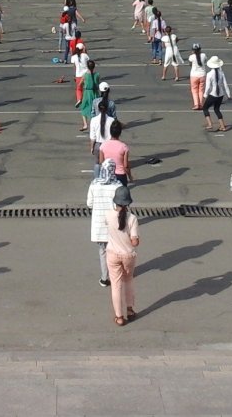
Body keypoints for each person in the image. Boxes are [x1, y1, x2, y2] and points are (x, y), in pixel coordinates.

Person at [104, 185, 140, 327]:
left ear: (116, 201)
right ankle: (130, 310)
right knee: (128, 281)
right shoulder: (132, 218)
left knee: (116, 285)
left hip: (112, 253)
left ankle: (119, 317)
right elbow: (135, 241)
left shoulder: (108, 215)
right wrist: (135, 240)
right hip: (128, 255)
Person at [87, 159, 122, 287]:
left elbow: (89, 204)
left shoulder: (94, 185)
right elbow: (121, 205)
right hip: (113, 224)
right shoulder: (117, 186)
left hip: (99, 224)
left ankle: (104, 278)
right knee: (116, 250)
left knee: (103, 251)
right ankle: (116, 275)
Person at [201, 56, 231, 132]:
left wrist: (205, 95)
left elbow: (208, 87)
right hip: (221, 94)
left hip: (213, 94)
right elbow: (225, 84)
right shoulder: (221, 73)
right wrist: (228, 94)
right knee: (217, 109)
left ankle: (210, 124)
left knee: (205, 108)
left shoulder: (209, 74)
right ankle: (222, 126)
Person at [99, 120, 131, 186]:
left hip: (108, 174)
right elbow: (126, 166)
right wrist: (130, 176)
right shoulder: (124, 147)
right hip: (120, 175)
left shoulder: (103, 145)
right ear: (120, 133)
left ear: (110, 132)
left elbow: (101, 162)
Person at [89, 99, 116, 165]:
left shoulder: (93, 120)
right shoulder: (112, 120)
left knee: (97, 164)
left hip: (98, 145)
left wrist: (92, 147)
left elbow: (93, 137)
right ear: (107, 109)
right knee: (109, 164)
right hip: (109, 145)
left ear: (98, 109)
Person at [188, 43, 207, 110]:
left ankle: (196, 104)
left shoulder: (191, 57)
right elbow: (205, 61)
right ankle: (201, 104)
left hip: (194, 75)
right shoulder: (203, 55)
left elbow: (190, 64)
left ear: (193, 50)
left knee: (194, 90)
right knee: (201, 90)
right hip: (202, 74)